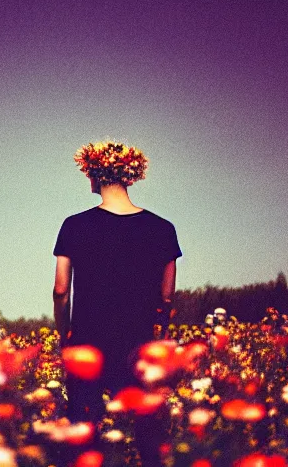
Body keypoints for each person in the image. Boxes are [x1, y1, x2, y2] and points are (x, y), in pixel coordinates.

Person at [52, 140, 182, 466]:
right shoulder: (163, 229)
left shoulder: (74, 225)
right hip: (138, 344)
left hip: (87, 343)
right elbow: (166, 297)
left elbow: (60, 290)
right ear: (130, 175)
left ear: (94, 175)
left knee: (84, 432)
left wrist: (63, 334)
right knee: (147, 434)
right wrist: (157, 336)